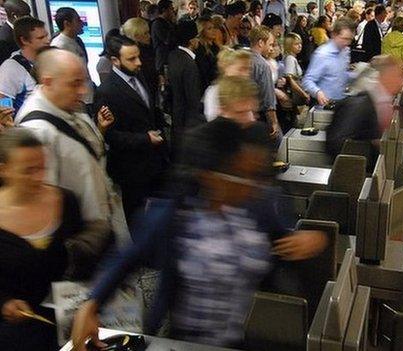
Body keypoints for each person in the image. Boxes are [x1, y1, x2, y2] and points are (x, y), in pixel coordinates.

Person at [71, 117, 327, 350]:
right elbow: (127, 256)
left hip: (246, 333)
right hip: (186, 340)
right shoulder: (175, 214)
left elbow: (284, 239)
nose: (251, 184)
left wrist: (309, 240)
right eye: (240, 175)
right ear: (211, 177)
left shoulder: (259, 201)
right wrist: (91, 303)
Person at [15, 48, 124, 273]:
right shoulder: (38, 131)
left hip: (98, 232)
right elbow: (42, 197)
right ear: (48, 82)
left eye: (83, 81)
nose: (83, 91)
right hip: (79, 244)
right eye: (74, 84)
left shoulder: (69, 109)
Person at [0, 128, 86, 351]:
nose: (39, 177)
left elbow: (83, 253)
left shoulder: (66, 201)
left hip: (70, 322)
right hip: (18, 334)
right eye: (28, 171)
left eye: (42, 168)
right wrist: (4, 302)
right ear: (4, 170)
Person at [94, 35, 168, 223]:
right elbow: (110, 135)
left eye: (138, 56)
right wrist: (145, 139)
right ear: (114, 61)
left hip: (156, 162)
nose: (139, 62)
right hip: (131, 170)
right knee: (138, 220)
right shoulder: (107, 91)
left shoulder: (138, 75)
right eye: (132, 59)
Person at [326, 55, 403, 159]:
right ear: (387, 76)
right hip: (355, 169)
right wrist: (374, 146)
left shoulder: (384, 102)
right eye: (399, 75)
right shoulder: (359, 105)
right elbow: (336, 143)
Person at [167, 20, 205, 150]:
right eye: (197, 37)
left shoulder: (173, 56)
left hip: (177, 116)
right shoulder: (189, 64)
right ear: (191, 40)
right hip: (188, 122)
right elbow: (193, 98)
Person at [0, 16, 49, 113]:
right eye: (41, 38)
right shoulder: (11, 68)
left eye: (46, 36)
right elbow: (3, 108)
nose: (47, 41)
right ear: (24, 40)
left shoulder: (48, 59)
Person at [303, 17, 356, 106]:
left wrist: (358, 75)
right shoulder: (322, 54)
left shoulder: (345, 51)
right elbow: (307, 80)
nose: (347, 43)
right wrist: (318, 92)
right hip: (324, 105)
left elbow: (341, 74)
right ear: (334, 35)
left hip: (340, 103)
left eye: (350, 39)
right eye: (344, 38)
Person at [51, 7, 95, 107]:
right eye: (78, 20)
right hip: (76, 100)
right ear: (67, 24)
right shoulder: (59, 45)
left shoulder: (77, 40)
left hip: (87, 95)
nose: (82, 23)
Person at [203, 48, 252, 121]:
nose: (247, 73)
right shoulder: (213, 92)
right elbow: (212, 121)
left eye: (248, 69)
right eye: (241, 69)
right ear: (227, 68)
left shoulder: (248, 90)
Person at [249, 25, 280, 138]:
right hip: (259, 117)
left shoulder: (241, 59)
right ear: (261, 42)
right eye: (270, 44)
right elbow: (268, 100)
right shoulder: (262, 66)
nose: (272, 49)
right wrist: (274, 122)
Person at [122, 17, 159, 95]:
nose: (149, 36)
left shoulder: (147, 50)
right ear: (136, 36)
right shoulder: (135, 55)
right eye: (145, 33)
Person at [283, 33, 310, 108]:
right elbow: (290, 79)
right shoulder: (290, 59)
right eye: (296, 44)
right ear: (289, 45)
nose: (300, 46)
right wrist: (304, 94)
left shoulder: (292, 58)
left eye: (300, 43)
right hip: (294, 96)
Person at [151, 0, 177, 73]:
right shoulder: (157, 24)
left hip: (172, 58)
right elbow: (167, 40)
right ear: (164, 10)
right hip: (163, 59)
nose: (173, 11)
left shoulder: (169, 22)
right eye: (171, 9)